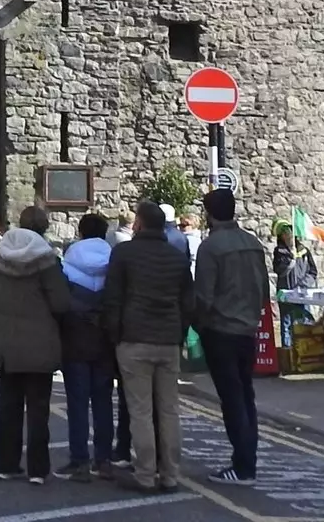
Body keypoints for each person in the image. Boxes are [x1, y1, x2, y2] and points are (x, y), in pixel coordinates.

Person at [0, 206, 70, 483]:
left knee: (8, 403)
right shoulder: (46, 260)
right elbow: (61, 303)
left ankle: (5, 464)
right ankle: (38, 470)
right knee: (38, 407)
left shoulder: (0, 254)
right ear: (43, 228)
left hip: (5, 341)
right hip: (39, 341)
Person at [103, 200, 191, 494]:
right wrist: (179, 334)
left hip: (134, 339)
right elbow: (187, 302)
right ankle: (170, 475)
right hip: (168, 340)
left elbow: (113, 298)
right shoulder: (177, 258)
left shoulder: (124, 253)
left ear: (138, 223)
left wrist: (114, 336)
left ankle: (144, 474)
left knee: (140, 411)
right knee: (169, 411)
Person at [192, 188, 268, 486]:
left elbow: (204, 297)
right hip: (247, 330)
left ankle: (243, 465)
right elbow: (263, 291)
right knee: (246, 396)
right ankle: (248, 460)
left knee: (232, 399)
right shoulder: (253, 243)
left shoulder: (211, 247)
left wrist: (198, 325)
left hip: (220, 330)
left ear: (209, 213)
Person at [59, 211, 119, 481]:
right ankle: (103, 459)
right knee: (103, 402)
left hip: (75, 340)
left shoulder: (66, 264)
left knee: (77, 403)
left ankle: (79, 460)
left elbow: (60, 305)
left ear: (80, 233)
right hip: (105, 340)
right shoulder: (114, 263)